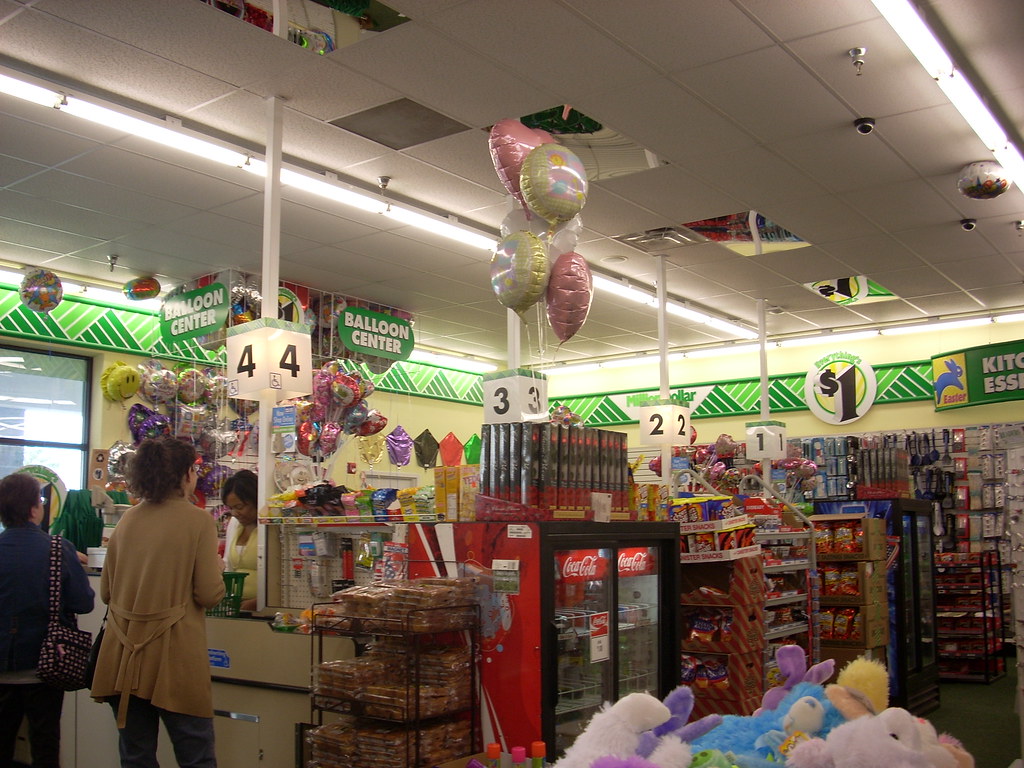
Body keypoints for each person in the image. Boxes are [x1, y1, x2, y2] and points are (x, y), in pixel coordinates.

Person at [90, 437, 225, 768]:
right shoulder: (198, 521)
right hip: (175, 657)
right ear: (182, 475)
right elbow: (208, 594)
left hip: (124, 656)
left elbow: (106, 593)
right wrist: (218, 571)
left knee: (136, 757)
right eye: (193, 469)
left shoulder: (127, 521)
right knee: (196, 756)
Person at [0, 471, 95, 768]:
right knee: (45, 747)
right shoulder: (58, 549)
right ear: (33, 509)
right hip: (46, 667)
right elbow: (84, 603)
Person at [220, 469, 259, 612]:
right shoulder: (235, 524)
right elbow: (228, 564)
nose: (235, 513)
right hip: (235, 605)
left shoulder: (269, 528)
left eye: (240, 507)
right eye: (231, 508)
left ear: (255, 500)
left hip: (263, 608)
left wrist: (259, 601)